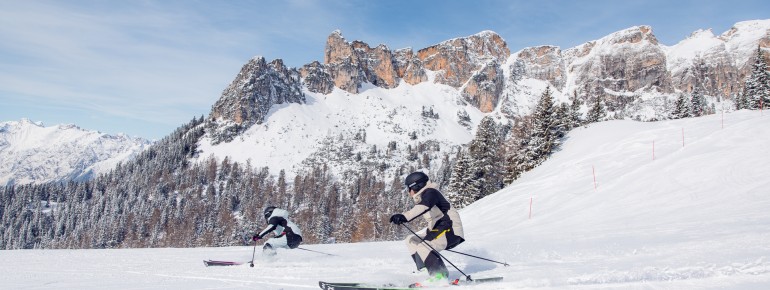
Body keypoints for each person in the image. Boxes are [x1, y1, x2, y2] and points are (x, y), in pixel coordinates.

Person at [389, 171, 465, 286]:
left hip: (451, 230)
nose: (408, 192)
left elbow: (422, 207)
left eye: (408, 188)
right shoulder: (425, 195)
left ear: (415, 187)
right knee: (411, 240)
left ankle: (439, 275)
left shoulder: (430, 193)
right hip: (440, 229)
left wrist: (404, 216)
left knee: (424, 245)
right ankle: (425, 270)